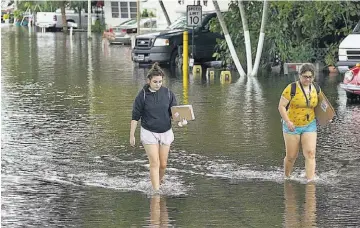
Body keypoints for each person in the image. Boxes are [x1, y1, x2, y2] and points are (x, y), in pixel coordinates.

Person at [130, 62, 177, 193]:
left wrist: (180, 120)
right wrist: (132, 135)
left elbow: (175, 113)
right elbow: (135, 117)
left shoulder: (168, 94)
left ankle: (160, 182)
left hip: (165, 131)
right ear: (148, 80)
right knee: (154, 163)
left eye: (160, 81)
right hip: (149, 132)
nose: (158, 84)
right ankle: (156, 193)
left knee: (163, 164)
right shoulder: (142, 96)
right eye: (155, 81)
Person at [278, 63, 320, 182]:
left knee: (310, 153)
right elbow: (281, 106)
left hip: (309, 125)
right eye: (305, 76)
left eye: (310, 77)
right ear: (299, 76)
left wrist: (327, 117)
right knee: (291, 157)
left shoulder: (316, 88)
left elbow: (323, 106)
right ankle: (287, 177)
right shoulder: (291, 88)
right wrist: (287, 121)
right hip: (292, 125)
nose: (307, 79)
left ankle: (310, 181)